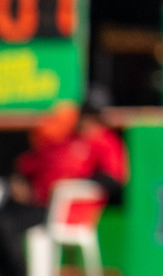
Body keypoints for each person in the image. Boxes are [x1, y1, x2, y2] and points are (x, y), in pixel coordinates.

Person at [0, 97, 129, 276]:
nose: (88, 122)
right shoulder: (63, 138)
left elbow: (114, 178)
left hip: (63, 210)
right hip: (35, 202)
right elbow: (30, 165)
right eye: (85, 116)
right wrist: (18, 180)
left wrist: (72, 187)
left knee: (5, 225)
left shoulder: (103, 141)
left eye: (94, 118)